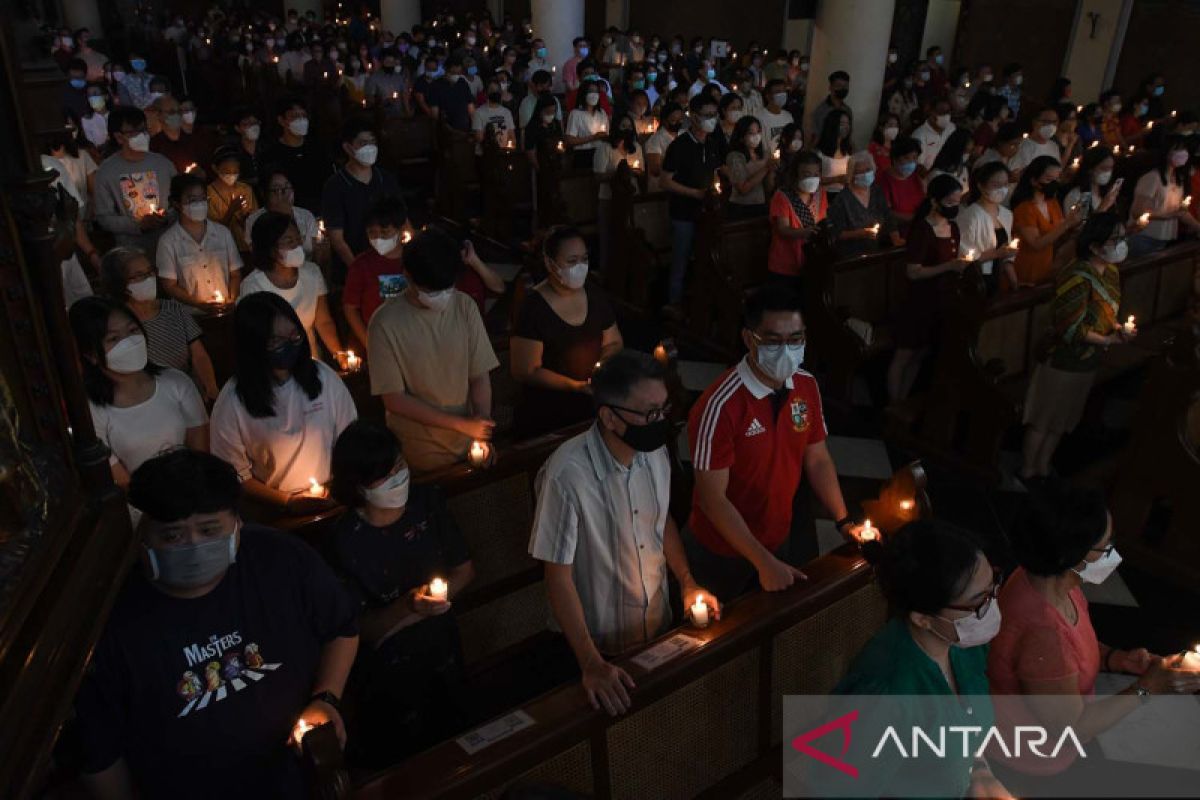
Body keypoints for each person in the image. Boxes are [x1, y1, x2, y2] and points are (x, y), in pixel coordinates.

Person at [72, 448, 359, 799]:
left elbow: (341, 628)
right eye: (173, 536)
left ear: (237, 525)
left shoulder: (279, 558)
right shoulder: (113, 616)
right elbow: (100, 751)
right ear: (143, 534)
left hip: (294, 776)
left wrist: (326, 697)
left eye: (209, 530)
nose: (193, 546)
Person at [530, 351, 723, 719]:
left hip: (657, 624)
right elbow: (557, 577)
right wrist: (591, 662)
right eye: (649, 413)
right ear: (609, 417)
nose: (660, 422)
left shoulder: (655, 452)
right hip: (594, 643)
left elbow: (659, 520)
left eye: (664, 410)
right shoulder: (567, 475)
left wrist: (686, 582)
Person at [987, 482, 1200, 794]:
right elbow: (1073, 728)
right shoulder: (1044, 633)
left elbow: (1070, 651)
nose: (1113, 551)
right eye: (1106, 544)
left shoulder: (1042, 578)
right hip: (1031, 759)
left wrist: (1116, 658)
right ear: (1070, 555)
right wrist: (1148, 688)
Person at [685, 286, 859, 601]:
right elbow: (713, 500)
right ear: (750, 339)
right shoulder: (720, 405)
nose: (787, 350)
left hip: (777, 534)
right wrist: (762, 560)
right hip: (721, 549)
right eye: (774, 341)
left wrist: (844, 520)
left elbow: (817, 457)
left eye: (796, 339)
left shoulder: (805, 385)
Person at [328, 420, 474, 766]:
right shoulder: (344, 542)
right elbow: (358, 630)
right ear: (360, 486)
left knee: (456, 747)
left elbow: (464, 570)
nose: (399, 477)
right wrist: (408, 606)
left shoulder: (427, 502)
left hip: (442, 648)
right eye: (386, 474)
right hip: (386, 673)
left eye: (400, 466)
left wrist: (433, 602)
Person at [830, 519, 1008, 800]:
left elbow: (964, 731)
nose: (993, 605)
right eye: (978, 600)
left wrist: (980, 773)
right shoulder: (885, 694)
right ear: (923, 618)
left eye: (993, 584)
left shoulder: (963, 645)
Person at [211, 292, 356, 516]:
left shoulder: (323, 377)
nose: (288, 346)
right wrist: (287, 501)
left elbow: (351, 440)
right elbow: (234, 474)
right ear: (253, 345)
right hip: (275, 510)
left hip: (334, 500)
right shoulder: (233, 401)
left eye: (294, 336)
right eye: (275, 341)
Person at [368, 228, 500, 475]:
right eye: (432, 290)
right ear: (407, 275)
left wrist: (481, 424)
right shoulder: (384, 323)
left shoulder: (464, 306)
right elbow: (394, 399)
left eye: (447, 287)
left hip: (468, 445)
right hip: (418, 454)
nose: (442, 297)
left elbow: (479, 375)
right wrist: (461, 424)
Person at [1019, 213, 1131, 480]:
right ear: (1094, 245)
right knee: (1044, 420)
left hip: (1088, 360)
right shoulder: (1076, 276)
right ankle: (1026, 471)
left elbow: (1105, 311)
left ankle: (1043, 468)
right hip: (1062, 359)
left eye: (1123, 237)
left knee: (1062, 421)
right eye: (1115, 239)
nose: (1122, 244)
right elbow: (1070, 327)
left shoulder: (1111, 272)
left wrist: (1117, 329)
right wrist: (1107, 340)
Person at [69, 296, 209, 489]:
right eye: (114, 338)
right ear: (91, 354)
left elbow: (200, 453)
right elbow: (121, 480)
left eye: (133, 330)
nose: (130, 342)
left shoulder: (176, 382)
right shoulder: (92, 410)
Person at [511, 226, 622, 439]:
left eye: (584, 259)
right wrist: (573, 386)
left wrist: (602, 366)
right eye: (571, 261)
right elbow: (525, 370)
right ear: (550, 263)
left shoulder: (594, 294)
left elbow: (614, 342)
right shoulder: (534, 308)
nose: (580, 267)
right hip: (548, 411)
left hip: (593, 403)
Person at [887, 175, 969, 402]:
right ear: (935, 201)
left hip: (941, 299)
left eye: (957, 202)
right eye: (950, 203)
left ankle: (905, 399)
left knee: (920, 354)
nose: (955, 207)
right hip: (918, 300)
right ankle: (894, 404)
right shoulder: (923, 229)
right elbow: (913, 271)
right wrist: (949, 266)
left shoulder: (952, 227)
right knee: (905, 354)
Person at [100, 246, 218, 401]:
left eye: (150, 272)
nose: (149, 278)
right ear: (120, 284)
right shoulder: (118, 324)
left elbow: (198, 354)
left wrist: (211, 387)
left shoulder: (173, 308)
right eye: (139, 275)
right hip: (147, 396)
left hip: (187, 390)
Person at [241, 211, 343, 360]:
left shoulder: (312, 273)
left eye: (298, 239)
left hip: (310, 359)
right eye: (289, 241)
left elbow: (324, 321)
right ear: (270, 249)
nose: (297, 246)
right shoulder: (253, 286)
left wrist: (338, 354)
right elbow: (254, 338)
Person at [320, 117, 403, 279]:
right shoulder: (336, 186)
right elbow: (337, 239)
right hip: (354, 268)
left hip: (389, 266)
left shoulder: (385, 178)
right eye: (363, 143)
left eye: (372, 142)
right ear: (348, 148)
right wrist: (359, 271)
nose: (370, 148)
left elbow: (402, 221)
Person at [661, 94, 721, 314]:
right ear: (694, 117)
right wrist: (693, 193)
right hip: (683, 212)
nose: (712, 119)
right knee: (681, 260)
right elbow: (665, 181)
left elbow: (713, 171)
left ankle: (698, 302)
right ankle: (674, 303)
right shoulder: (680, 145)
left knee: (703, 258)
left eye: (714, 115)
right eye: (707, 115)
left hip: (705, 212)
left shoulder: (711, 143)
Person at [93, 106, 176, 254]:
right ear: (118, 137)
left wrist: (166, 217)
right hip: (131, 252)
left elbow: (178, 201)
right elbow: (104, 217)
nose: (142, 136)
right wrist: (138, 225)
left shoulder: (163, 164)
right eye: (134, 132)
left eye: (143, 130)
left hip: (169, 246)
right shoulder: (106, 171)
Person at [154, 173, 243, 309]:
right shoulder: (168, 242)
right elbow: (170, 286)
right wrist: (198, 304)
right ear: (176, 203)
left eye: (202, 199)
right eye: (192, 200)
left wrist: (232, 298)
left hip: (226, 310)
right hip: (191, 316)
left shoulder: (223, 233)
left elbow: (235, 274)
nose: (199, 204)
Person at [342, 197, 410, 351]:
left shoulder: (415, 259)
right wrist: (369, 343)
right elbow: (350, 308)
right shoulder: (361, 265)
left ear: (400, 230)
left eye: (385, 232)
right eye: (372, 233)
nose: (378, 238)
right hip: (378, 342)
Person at [1011, 156, 1082, 287]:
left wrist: (1074, 222)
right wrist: (1067, 224)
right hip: (1027, 267)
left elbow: (1059, 231)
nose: (1054, 183)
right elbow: (1036, 243)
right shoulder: (1024, 209)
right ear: (1034, 181)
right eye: (1049, 179)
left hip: (1046, 265)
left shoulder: (1052, 203)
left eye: (1057, 179)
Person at [1128, 135, 1200, 257]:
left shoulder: (1178, 179)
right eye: (1178, 149)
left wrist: (1198, 227)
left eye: (1185, 149)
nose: (1183, 153)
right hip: (1144, 237)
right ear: (1166, 153)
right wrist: (1168, 215)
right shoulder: (1152, 178)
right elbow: (1138, 212)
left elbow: (1180, 212)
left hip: (1164, 239)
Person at [767, 151, 825, 292]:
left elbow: (823, 222)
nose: (812, 178)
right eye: (806, 174)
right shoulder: (782, 196)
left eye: (816, 174)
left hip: (810, 263)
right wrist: (805, 232)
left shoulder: (820, 193)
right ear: (795, 175)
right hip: (785, 266)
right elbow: (783, 229)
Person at [262, 95, 330, 213]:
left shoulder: (318, 149)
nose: (301, 120)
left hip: (318, 212)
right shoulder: (271, 154)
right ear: (281, 120)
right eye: (294, 116)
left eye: (303, 116)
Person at [958, 161, 1018, 296]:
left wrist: (1013, 280)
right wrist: (996, 254)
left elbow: (1006, 252)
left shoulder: (1006, 214)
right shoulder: (971, 216)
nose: (1002, 189)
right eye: (996, 185)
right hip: (976, 280)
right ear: (981, 186)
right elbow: (964, 259)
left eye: (1005, 185)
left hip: (997, 276)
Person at [827, 151, 900, 257]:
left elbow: (888, 216)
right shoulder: (843, 199)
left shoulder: (876, 191)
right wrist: (860, 234)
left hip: (875, 252)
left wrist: (896, 238)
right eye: (859, 172)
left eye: (867, 170)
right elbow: (835, 233)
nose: (865, 174)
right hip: (851, 256)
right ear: (852, 175)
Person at [246, 168, 320, 256]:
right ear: (264, 193)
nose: (285, 194)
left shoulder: (306, 216)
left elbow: (316, 252)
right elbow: (258, 255)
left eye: (287, 187)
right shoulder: (254, 220)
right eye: (276, 189)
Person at [207, 145, 259, 254]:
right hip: (221, 250)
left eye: (235, 171)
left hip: (245, 249)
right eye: (226, 171)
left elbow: (255, 223)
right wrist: (231, 210)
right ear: (215, 168)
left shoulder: (245, 189)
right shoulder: (208, 193)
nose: (231, 174)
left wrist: (246, 220)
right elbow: (213, 232)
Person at [725, 115, 776, 220]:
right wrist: (766, 168)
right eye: (751, 133)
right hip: (741, 208)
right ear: (741, 136)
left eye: (758, 132)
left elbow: (768, 187)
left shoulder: (764, 154)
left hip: (761, 205)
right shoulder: (735, 156)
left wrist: (772, 170)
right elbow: (743, 188)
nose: (756, 136)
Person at [877, 136, 925, 235]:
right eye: (906, 158)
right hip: (894, 232)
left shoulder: (915, 176)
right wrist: (913, 218)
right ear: (895, 159)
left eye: (915, 158)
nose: (911, 162)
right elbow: (884, 212)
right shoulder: (884, 179)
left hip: (917, 229)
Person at [148, 94, 203, 175]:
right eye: (172, 112)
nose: (177, 115)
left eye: (179, 111)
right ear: (159, 115)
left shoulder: (194, 139)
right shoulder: (154, 146)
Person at [1063, 148, 1121, 218]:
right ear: (1090, 169)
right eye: (1104, 168)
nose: (1108, 173)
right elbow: (1079, 227)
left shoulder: (1106, 193)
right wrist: (1103, 207)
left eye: (1110, 168)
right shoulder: (1076, 196)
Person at [565, 80, 610, 169]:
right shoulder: (575, 114)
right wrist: (593, 137)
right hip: (583, 155)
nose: (594, 94)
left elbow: (607, 135)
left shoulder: (602, 113)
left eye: (596, 91)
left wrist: (604, 137)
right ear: (583, 94)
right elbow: (570, 140)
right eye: (590, 91)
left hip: (601, 153)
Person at [428, 56, 476, 133]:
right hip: (446, 131)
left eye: (459, 72)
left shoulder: (462, 83)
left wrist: (475, 126)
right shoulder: (436, 86)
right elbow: (435, 113)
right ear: (448, 69)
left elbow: (470, 107)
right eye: (453, 73)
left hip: (464, 128)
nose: (457, 74)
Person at [644, 102, 682, 193]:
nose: (678, 123)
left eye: (680, 119)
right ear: (665, 120)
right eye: (673, 120)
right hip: (661, 189)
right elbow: (654, 169)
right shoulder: (655, 140)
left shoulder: (683, 135)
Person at [1011, 106, 1062, 174]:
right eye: (1045, 121)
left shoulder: (1054, 146)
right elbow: (1013, 175)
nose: (1050, 125)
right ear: (1034, 122)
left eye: (1054, 122)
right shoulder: (1021, 145)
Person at [472, 76, 516, 151]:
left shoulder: (507, 112)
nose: (495, 93)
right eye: (492, 90)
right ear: (486, 93)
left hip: (502, 153)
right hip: (485, 154)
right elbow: (479, 138)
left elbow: (512, 137)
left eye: (497, 90)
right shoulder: (479, 112)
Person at [911, 99, 956, 174]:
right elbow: (919, 166)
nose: (946, 115)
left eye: (948, 112)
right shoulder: (919, 135)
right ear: (932, 112)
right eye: (942, 112)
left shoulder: (951, 128)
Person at [523, 93, 565, 171]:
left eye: (553, 112)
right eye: (548, 112)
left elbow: (561, 141)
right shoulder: (532, 127)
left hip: (556, 163)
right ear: (540, 110)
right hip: (541, 164)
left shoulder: (555, 124)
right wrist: (538, 167)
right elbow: (529, 149)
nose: (551, 115)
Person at [815, 109, 852, 195]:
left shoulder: (848, 149)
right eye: (842, 124)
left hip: (843, 195)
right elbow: (814, 178)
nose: (846, 127)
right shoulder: (820, 152)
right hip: (825, 194)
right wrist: (837, 179)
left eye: (848, 124)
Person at [809, 70, 852, 144]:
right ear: (830, 87)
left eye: (845, 86)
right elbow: (815, 138)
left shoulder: (848, 110)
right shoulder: (820, 111)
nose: (842, 89)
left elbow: (848, 137)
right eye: (839, 86)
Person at [755, 78, 795, 154]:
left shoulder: (788, 116)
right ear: (768, 96)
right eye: (778, 92)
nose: (782, 95)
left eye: (784, 91)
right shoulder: (759, 117)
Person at [230, 107, 264, 189]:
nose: (252, 127)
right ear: (237, 128)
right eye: (246, 124)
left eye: (255, 123)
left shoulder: (266, 149)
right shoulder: (232, 153)